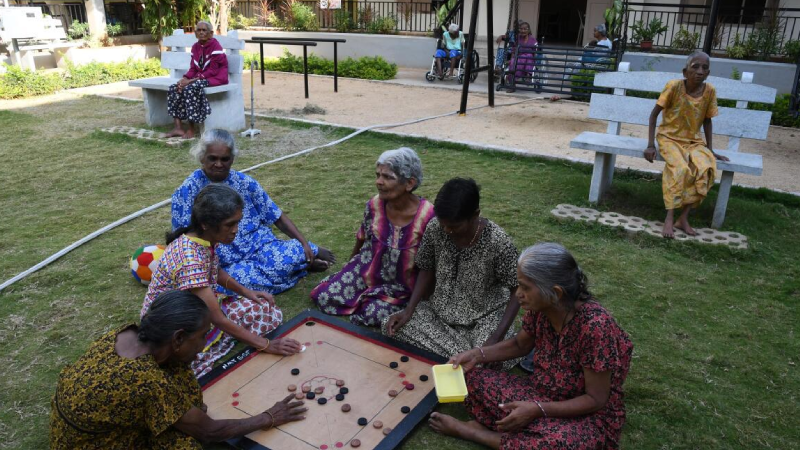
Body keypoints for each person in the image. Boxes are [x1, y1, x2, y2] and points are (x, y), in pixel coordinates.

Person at [428, 243, 633, 450]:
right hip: (539, 393)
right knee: (469, 377)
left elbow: (595, 399)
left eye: (525, 287)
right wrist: (477, 355)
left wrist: (536, 410)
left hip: (584, 416)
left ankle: (474, 432)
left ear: (556, 292)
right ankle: (521, 430)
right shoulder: (541, 306)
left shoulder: (595, 327)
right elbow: (519, 344)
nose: (518, 293)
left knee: (560, 445)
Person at [52, 290, 308, 449]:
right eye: (203, 336)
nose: (205, 343)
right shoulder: (146, 381)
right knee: (184, 444)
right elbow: (209, 432)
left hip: (78, 424)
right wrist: (269, 416)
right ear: (177, 339)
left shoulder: (128, 333)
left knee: (180, 371)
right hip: (90, 444)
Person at [148, 184, 302, 377]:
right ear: (206, 223)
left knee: (266, 310)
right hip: (175, 329)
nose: (235, 230)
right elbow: (217, 318)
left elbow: (215, 271)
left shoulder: (200, 240)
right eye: (230, 224)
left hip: (198, 313)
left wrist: (247, 292)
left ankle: (219, 340)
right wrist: (267, 344)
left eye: (237, 222)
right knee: (188, 368)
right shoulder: (189, 260)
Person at [172, 129, 335, 295]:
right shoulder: (187, 191)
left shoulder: (245, 182)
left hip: (260, 247)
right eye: (212, 158)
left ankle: (301, 259)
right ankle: (300, 268)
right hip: (223, 261)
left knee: (290, 255)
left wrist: (304, 243)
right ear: (201, 157)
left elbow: (275, 215)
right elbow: (184, 238)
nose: (219, 164)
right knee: (222, 283)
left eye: (225, 159)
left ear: (232, 159)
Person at [383, 178, 520, 369]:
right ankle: (465, 354)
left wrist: (496, 336)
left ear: (475, 215)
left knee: (484, 356)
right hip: (440, 313)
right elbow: (426, 268)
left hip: (483, 319)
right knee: (392, 326)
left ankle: (471, 353)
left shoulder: (498, 242)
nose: (447, 230)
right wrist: (409, 310)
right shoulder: (435, 228)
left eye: (454, 226)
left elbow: (518, 288)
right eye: (443, 224)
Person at [311, 148, 435, 327]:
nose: (379, 182)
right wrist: (347, 269)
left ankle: (371, 301)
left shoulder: (429, 217)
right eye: (377, 175)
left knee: (372, 314)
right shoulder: (374, 205)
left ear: (409, 183)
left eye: (387, 177)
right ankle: (366, 296)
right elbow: (362, 237)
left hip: (402, 286)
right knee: (324, 297)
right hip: (368, 270)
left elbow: (431, 266)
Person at [644, 51, 730, 238]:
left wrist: (710, 149)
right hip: (669, 138)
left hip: (693, 142)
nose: (700, 71)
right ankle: (669, 217)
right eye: (695, 67)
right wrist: (651, 145)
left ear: (708, 73)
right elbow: (653, 115)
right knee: (680, 169)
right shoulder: (673, 87)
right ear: (685, 71)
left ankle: (683, 218)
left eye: (704, 68)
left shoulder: (710, 91)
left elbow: (707, 121)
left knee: (706, 168)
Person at [166, 21, 228, 139]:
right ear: (195, 33)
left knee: (189, 89)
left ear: (211, 33)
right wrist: (184, 79)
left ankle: (191, 129)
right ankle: (178, 128)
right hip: (200, 78)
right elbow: (193, 68)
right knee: (175, 88)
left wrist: (189, 82)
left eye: (204, 30)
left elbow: (213, 71)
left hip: (216, 78)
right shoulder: (195, 47)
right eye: (198, 30)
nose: (201, 32)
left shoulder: (216, 46)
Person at [503, 21, 538, 93]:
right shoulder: (517, 38)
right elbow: (513, 49)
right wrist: (512, 58)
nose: (523, 31)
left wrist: (534, 62)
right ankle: (512, 84)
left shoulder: (533, 39)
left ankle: (528, 75)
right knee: (513, 62)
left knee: (529, 56)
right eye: (521, 29)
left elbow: (535, 52)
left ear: (528, 30)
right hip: (519, 57)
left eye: (525, 29)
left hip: (529, 59)